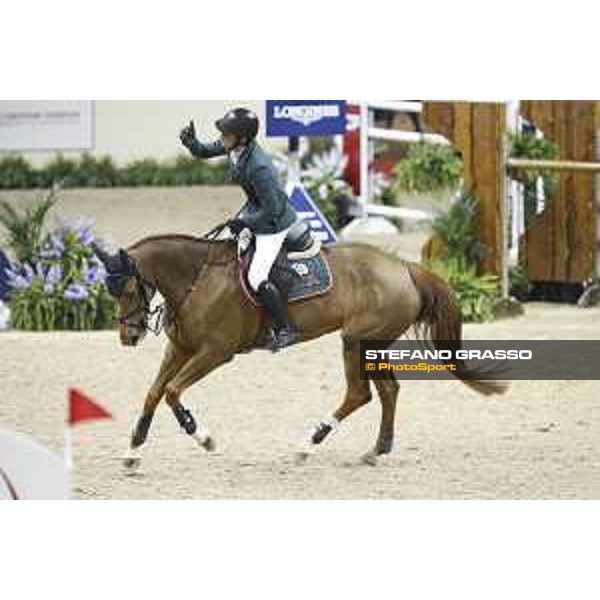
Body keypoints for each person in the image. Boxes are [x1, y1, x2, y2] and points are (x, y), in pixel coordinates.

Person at [180, 108, 299, 351]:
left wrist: (246, 223)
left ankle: (285, 328)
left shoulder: (259, 167)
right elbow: (204, 151)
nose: (222, 137)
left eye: (226, 133)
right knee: (220, 245)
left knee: (257, 276)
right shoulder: (233, 146)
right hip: (256, 209)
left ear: (242, 138)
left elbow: (273, 209)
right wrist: (191, 143)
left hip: (273, 224)